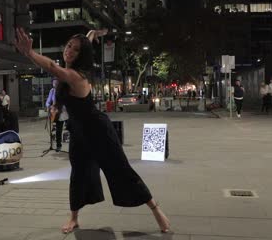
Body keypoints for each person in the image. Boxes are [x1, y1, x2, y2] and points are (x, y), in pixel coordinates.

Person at [15, 27, 170, 234]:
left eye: (76, 50)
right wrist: (91, 34)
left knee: (120, 169)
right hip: (79, 132)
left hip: (98, 131)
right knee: (79, 173)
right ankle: (74, 218)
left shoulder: (76, 76)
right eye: (69, 46)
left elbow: (52, 66)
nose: (69, 51)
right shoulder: (71, 70)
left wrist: (30, 53)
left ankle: (155, 209)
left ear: (82, 56)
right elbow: (83, 43)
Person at [46, 78, 69, 152]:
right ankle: (58, 145)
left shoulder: (64, 91)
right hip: (57, 113)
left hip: (65, 113)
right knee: (58, 130)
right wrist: (49, 106)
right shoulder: (52, 91)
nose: (55, 84)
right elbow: (48, 102)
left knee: (71, 129)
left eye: (56, 82)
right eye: (54, 83)